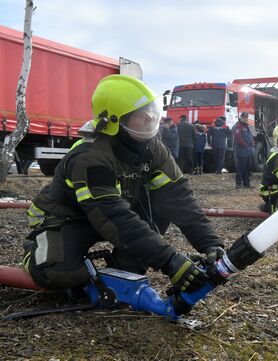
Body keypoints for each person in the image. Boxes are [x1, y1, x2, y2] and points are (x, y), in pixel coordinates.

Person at [22, 75, 225, 303]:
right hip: (67, 217)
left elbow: (179, 196)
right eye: (140, 114)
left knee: (159, 215)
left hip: (111, 213)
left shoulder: (152, 147)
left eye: (150, 110)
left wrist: (210, 243)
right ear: (115, 121)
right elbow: (113, 217)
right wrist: (170, 261)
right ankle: (36, 250)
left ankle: (121, 268)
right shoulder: (91, 157)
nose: (149, 117)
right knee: (58, 274)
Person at [233, 112, 254, 188]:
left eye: (246, 117)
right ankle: (238, 184)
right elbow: (237, 137)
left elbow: (249, 136)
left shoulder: (246, 126)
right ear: (241, 117)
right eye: (244, 117)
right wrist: (244, 144)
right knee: (241, 168)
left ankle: (246, 183)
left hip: (248, 151)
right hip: (242, 151)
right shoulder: (238, 126)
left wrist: (252, 142)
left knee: (248, 168)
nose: (245, 118)